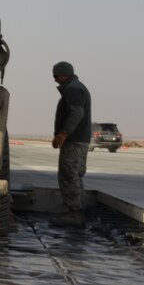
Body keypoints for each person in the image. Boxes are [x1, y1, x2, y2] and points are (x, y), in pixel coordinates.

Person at [49, 61, 92, 227]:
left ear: (64, 74)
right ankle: (79, 209)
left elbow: (76, 112)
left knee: (69, 174)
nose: (55, 80)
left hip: (74, 140)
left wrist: (63, 133)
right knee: (76, 174)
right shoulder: (76, 87)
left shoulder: (73, 89)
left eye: (56, 76)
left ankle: (73, 212)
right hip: (80, 139)